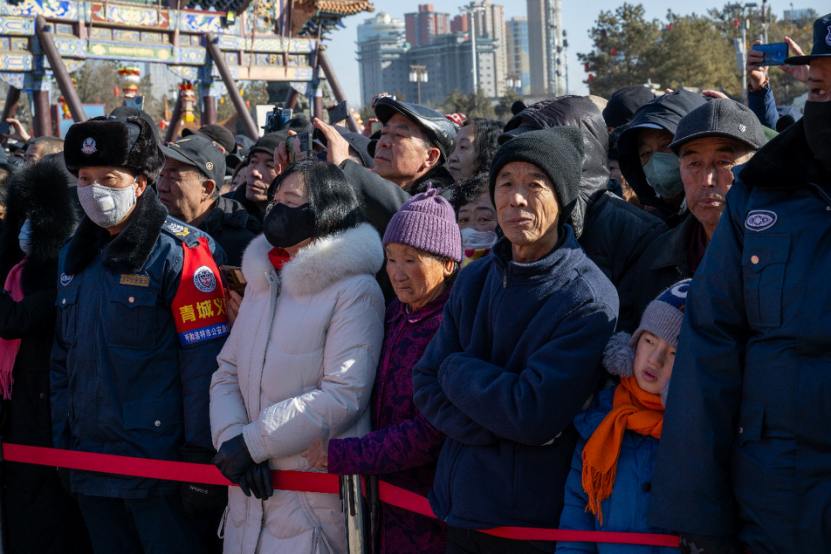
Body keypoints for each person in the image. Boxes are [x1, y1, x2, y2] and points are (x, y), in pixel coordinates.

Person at [647, 13, 831, 554]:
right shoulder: (762, 195)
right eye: (820, 89)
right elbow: (709, 348)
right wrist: (697, 516)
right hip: (778, 501)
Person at [413, 129, 619, 553]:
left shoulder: (586, 298)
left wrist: (456, 368)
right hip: (457, 508)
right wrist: (500, 426)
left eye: (534, 185)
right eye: (506, 183)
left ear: (562, 198)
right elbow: (426, 383)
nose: (517, 199)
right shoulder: (473, 278)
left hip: (526, 526)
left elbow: (531, 415)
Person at [53, 115, 230, 554]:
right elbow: (62, 360)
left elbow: (204, 364)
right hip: (90, 462)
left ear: (140, 183)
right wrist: (62, 440)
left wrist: (199, 456)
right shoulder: (74, 257)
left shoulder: (182, 252)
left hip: (160, 467)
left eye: (108, 179)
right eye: (84, 178)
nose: (94, 190)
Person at [210, 158, 385, 553]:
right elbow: (227, 370)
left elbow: (344, 394)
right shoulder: (264, 279)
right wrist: (232, 440)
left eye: (290, 201)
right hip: (249, 495)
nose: (276, 209)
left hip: (312, 504)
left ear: (326, 212)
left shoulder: (354, 289)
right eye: (275, 200)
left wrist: (254, 444)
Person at [302, 187, 461, 554]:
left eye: (411, 259)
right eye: (391, 259)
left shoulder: (452, 328)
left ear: (448, 264)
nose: (397, 273)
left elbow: (430, 433)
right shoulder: (395, 313)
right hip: (382, 502)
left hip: (429, 509)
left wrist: (346, 454)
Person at [500, 96, 666, 332]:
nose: (517, 197)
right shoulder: (514, 223)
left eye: (538, 152)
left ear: (579, 153)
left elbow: (635, 334)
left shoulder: (639, 233)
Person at [556, 281, 690, 554]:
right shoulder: (600, 418)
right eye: (649, 341)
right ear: (633, 344)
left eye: (674, 352)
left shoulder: (693, 431)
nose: (655, 359)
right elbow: (578, 509)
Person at [0, 156, 92, 554]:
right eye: (21, 216)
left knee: (45, 509)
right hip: (18, 402)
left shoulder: (63, 272)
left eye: (34, 218)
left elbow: (15, 320)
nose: (25, 227)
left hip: (46, 404)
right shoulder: (15, 269)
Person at [632, 98, 765, 320]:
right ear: (680, 168)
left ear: (758, 166)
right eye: (694, 164)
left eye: (724, 162)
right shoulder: (656, 259)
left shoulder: (782, 252)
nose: (707, 180)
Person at [312, 97, 458, 234]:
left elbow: (413, 220)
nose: (383, 142)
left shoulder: (446, 199)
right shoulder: (363, 202)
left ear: (430, 156)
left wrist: (345, 165)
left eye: (399, 135)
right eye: (383, 133)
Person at [159, 135, 260, 266]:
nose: (161, 187)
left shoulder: (241, 247)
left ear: (207, 188)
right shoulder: (152, 231)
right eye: (161, 175)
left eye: (173, 178)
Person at [616, 90, 708, 227]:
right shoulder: (649, 229)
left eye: (666, 145)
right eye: (645, 153)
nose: (656, 162)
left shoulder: (725, 217)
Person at [230, 131, 286, 220]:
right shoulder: (222, 212)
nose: (255, 172)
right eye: (253, 162)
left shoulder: (297, 221)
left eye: (269, 165)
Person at [451, 172, 498, 267]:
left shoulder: (508, 269)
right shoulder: (445, 270)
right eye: (464, 220)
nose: (471, 228)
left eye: (483, 219)